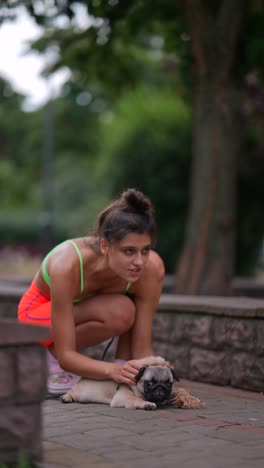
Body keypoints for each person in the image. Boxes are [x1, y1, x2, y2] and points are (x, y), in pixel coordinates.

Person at [18, 188, 165, 395]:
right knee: (120, 309)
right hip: (37, 317)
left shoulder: (152, 269)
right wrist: (112, 370)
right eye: (129, 251)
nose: (139, 261)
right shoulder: (67, 265)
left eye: (146, 250)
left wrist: (145, 370)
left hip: (79, 313)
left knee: (123, 310)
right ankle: (46, 356)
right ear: (105, 246)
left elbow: (142, 350)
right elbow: (67, 355)